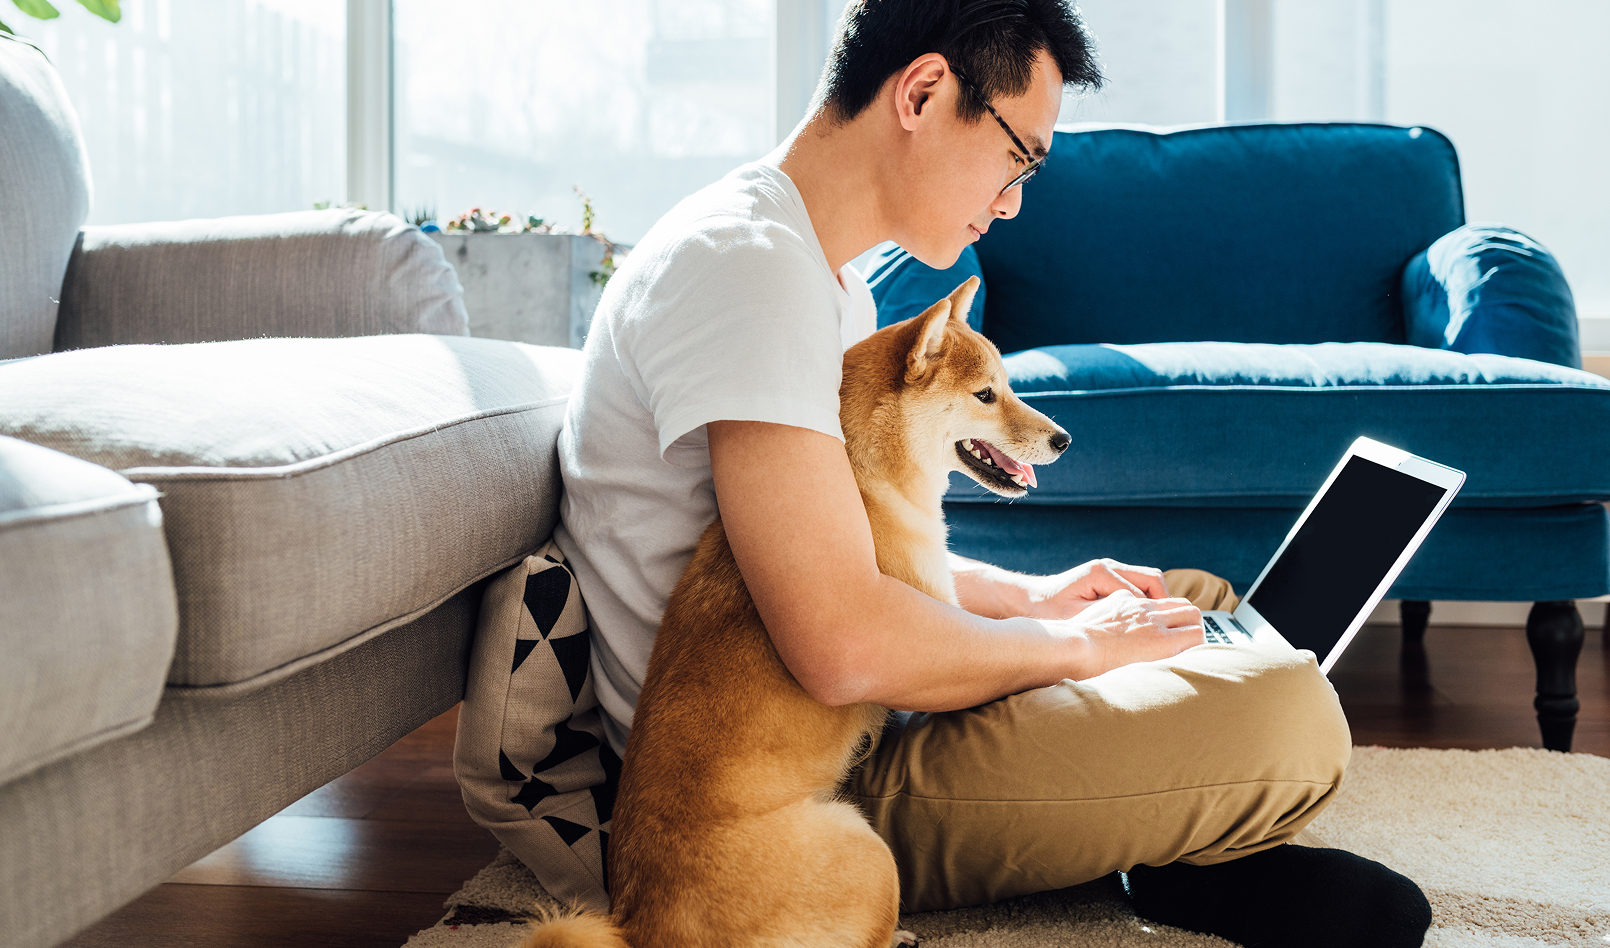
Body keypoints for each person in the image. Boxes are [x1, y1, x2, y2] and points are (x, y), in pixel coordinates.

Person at [553, 1, 1432, 945]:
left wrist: (1039, 599)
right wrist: (1079, 648)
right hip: (787, 786)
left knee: (1190, 599)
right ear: (924, 92)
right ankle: (1172, 838)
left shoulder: (821, 279)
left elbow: (844, 551)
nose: (1013, 200)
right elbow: (842, 644)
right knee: (1289, 713)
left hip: (844, 703)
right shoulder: (749, 274)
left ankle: (1168, 835)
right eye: (1020, 155)